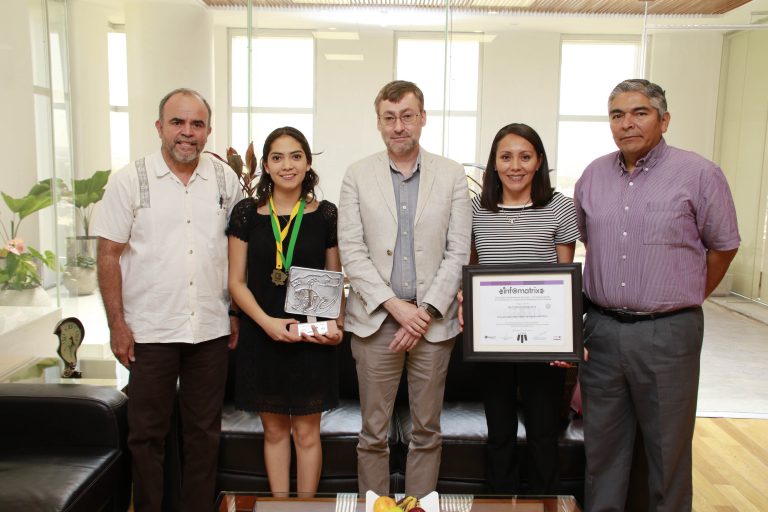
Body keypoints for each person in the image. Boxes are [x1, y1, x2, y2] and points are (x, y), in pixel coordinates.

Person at [574, 79, 740, 512]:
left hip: (669, 335)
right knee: (602, 454)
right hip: (604, 333)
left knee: (667, 456)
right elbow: (591, 243)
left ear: (664, 119)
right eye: (617, 115)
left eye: (639, 112)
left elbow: (723, 246)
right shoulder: (592, 176)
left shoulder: (700, 174)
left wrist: (687, 296)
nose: (627, 123)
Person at [94, 88, 242, 512]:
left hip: (210, 329)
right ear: (159, 127)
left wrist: (233, 310)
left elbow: (237, 252)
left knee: (203, 435)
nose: (187, 133)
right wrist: (116, 324)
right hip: (149, 330)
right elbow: (108, 254)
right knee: (147, 436)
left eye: (197, 124)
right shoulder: (129, 179)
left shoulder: (224, 180)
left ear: (208, 131)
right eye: (178, 122)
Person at [338, 80, 472, 497]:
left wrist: (424, 313)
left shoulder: (451, 175)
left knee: (427, 432)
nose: (399, 126)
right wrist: (398, 309)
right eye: (389, 118)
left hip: (433, 327)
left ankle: (417, 508)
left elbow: (458, 252)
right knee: (373, 434)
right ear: (378, 122)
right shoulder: (357, 175)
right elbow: (352, 252)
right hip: (376, 323)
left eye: (407, 116)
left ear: (423, 119)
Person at [227, 126, 343, 497]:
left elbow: (334, 277)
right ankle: (280, 507)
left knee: (308, 434)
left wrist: (335, 325)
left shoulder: (325, 214)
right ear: (265, 165)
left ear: (308, 163)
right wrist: (267, 324)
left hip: (310, 341)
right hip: (262, 338)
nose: (287, 165)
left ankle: (304, 508)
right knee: (274, 432)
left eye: (295, 156)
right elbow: (236, 282)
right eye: (277, 157)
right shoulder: (247, 213)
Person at [468, 123, 579, 494]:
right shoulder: (475, 210)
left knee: (543, 433)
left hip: (543, 344)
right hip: (493, 341)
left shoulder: (560, 208)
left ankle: (544, 504)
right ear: (494, 164)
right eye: (506, 156)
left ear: (539, 162)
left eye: (525, 156)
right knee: (499, 432)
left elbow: (566, 278)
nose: (515, 165)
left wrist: (567, 340)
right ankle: (500, 504)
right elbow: (469, 272)